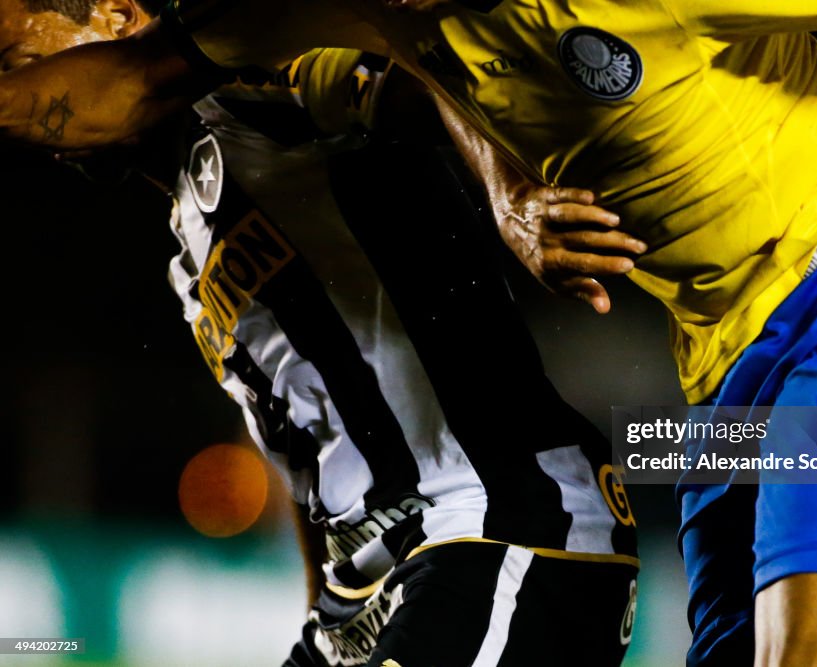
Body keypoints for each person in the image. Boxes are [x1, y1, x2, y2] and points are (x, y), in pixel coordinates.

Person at [3, 1, 817, 665]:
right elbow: (120, 83)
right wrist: (506, 194)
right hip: (720, 379)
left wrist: (507, 195)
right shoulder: (347, 19)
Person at [0, 1, 644, 665]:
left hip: (501, 522)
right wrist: (326, 619)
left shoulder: (253, 86)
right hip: (377, 577)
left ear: (117, 18)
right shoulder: (189, 263)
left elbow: (425, 74)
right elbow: (316, 462)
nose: (35, 102)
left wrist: (510, 192)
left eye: (23, 63)